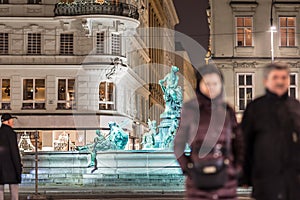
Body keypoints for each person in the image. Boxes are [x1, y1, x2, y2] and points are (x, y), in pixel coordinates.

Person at [174, 65, 243, 200]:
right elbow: (178, 143)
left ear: (220, 85)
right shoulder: (190, 109)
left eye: (215, 83)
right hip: (198, 177)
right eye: (206, 83)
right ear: (199, 84)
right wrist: (188, 168)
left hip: (226, 177)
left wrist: (237, 167)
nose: (211, 87)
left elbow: (240, 142)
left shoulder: (228, 111)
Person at [241, 63, 300, 200]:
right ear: (266, 80)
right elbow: (244, 143)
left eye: (284, 77)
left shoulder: (296, 107)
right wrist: (245, 176)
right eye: (275, 77)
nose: (280, 81)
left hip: (293, 182)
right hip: (265, 180)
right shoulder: (255, 108)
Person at [0, 113, 22, 200]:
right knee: (14, 192)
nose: (13, 122)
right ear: (8, 121)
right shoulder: (11, 134)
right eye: (12, 120)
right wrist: (18, 167)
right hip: (11, 168)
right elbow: (14, 152)